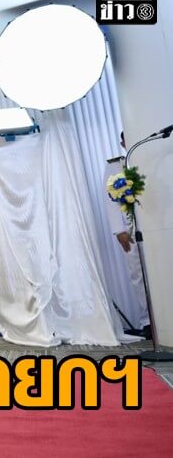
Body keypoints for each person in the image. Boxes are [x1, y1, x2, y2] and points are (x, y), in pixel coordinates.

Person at [104, 132, 151, 338]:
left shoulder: (150, 158)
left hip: (157, 227)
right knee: (138, 275)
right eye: (126, 139)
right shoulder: (115, 166)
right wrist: (119, 230)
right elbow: (110, 200)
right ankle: (147, 321)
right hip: (131, 229)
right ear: (122, 143)